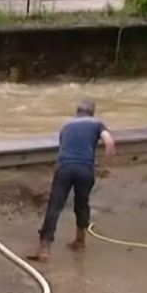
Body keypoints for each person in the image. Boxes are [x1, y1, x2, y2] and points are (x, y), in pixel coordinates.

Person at [27, 99, 116, 262]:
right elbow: (109, 142)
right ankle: (80, 241)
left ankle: (44, 248)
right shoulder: (97, 124)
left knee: (55, 205)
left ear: (77, 111)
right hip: (85, 168)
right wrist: (105, 166)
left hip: (65, 168)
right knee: (82, 203)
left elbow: (63, 148)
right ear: (92, 112)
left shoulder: (66, 126)